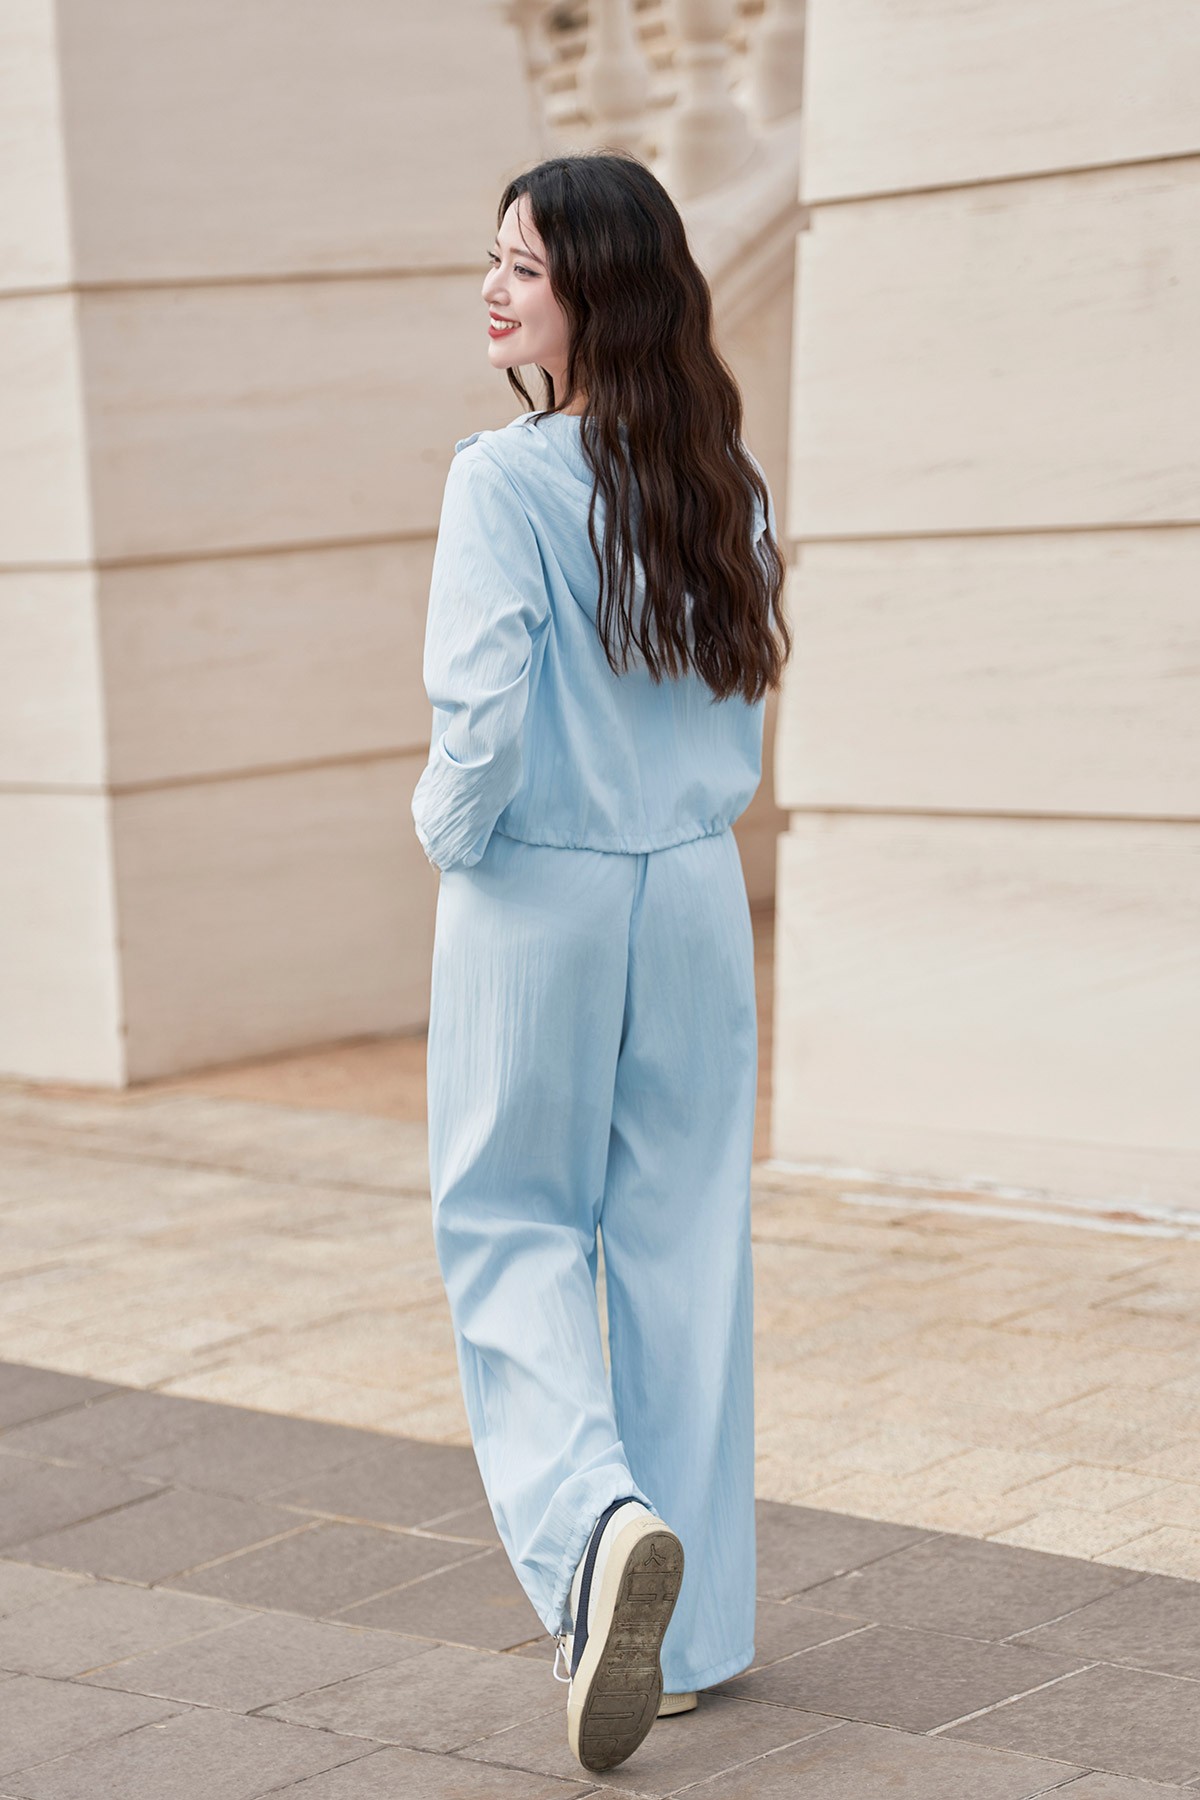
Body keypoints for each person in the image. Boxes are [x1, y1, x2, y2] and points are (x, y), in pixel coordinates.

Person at [411, 150, 790, 1776]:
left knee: (508, 1225)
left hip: (539, 886)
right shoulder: (719, 476)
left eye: (526, 266)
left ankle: (593, 1531)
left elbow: (483, 712)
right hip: (691, 887)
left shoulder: (501, 479)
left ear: (597, 294)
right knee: (684, 1241)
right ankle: (686, 1646)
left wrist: (446, 831)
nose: (496, 290)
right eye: (496, 259)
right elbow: (739, 702)